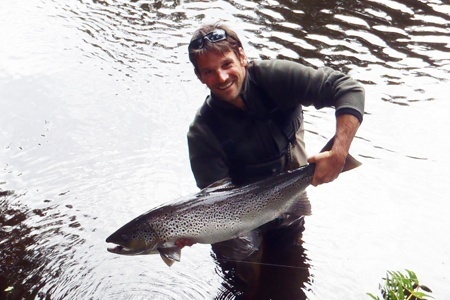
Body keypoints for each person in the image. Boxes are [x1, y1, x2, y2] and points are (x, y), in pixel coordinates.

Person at [185, 22, 364, 295]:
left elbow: (348, 88)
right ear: (200, 77)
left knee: (290, 269)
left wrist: (339, 153)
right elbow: (216, 201)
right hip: (236, 219)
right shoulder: (202, 132)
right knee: (245, 283)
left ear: (242, 57)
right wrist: (190, 231)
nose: (221, 77)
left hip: (290, 196)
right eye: (209, 71)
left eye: (227, 64)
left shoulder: (275, 77)